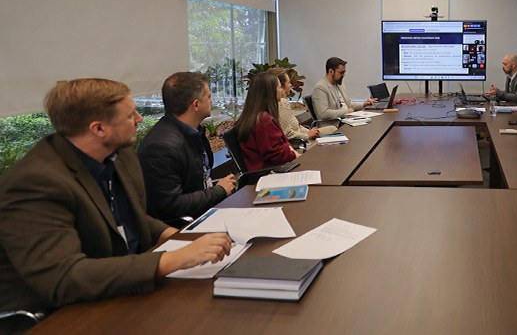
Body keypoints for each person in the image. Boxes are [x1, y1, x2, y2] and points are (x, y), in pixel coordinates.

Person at [0, 79, 231, 323]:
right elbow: (65, 277)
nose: (140, 119)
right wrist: (175, 258)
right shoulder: (36, 183)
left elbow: (130, 218)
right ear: (98, 129)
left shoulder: (118, 157)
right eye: (130, 114)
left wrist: (179, 236)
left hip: (120, 289)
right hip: (56, 315)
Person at [138, 72, 237, 224]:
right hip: (182, 228)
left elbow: (198, 182)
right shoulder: (160, 147)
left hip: (204, 214)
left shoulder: (194, 131)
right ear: (196, 104)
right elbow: (170, 206)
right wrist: (219, 191)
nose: (212, 101)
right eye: (209, 97)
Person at [234, 69, 298, 173]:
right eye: (279, 87)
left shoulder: (257, 116)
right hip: (268, 175)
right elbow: (277, 154)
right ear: (270, 92)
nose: (281, 91)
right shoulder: (264, 120)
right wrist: (294, 154)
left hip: (270, 171)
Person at [275, 70, 336, 141]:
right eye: (288, 82)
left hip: (304, 135)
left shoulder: (283, 102)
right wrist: (308, 135)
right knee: (334, 133)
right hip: (301, 142)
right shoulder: (281, 103)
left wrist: (310, 132)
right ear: (281, 86)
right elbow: (288, 134)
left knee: (332, 129)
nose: (291, 85)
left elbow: (297, 127)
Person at [311, 57, 376, 120]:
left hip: (347, 119)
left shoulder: (339, 84)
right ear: (331, 72)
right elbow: (323, 113)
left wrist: (364, 104)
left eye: (344, 72)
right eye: (341, 72)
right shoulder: (320, 88)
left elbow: (348, 104)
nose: (343, 75)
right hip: (335, 124)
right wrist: (346, 111)